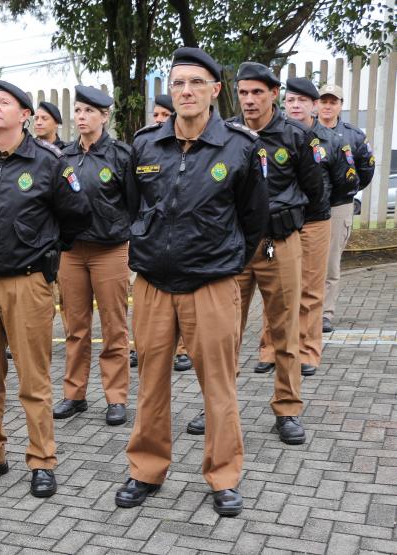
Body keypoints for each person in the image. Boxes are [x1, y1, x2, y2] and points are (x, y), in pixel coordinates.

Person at [116, 47, 267, 516]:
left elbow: (254, 219)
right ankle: (145, 470)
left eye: (196, 83)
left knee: (218, 387)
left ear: (214, 91)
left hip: (212, 287)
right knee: (152, 385)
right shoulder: (144, 145)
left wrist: (222, 263)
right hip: (154, 286)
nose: (185, 91)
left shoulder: (240, 147)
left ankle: (223, 477)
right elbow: (129, 206)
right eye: (178, 83)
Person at [0, 80, 92, 498]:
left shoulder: (49, 161)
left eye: (4, 103)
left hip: (28, 282)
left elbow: (77, 215)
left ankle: (42, 459)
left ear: (24, 115)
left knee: (34, 378)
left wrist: (44, 247)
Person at [187, 62, 323, 443]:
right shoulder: (227, 135)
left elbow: (317, 199)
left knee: (285, 331)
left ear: (274, 94)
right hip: (235, 249)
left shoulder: (297, 137)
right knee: (223, 333)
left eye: (257, 92)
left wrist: (289, 233)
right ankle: (215, 406)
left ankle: (288, 408)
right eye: (243, 92)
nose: (249, 100)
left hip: (280, 245)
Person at [252, 78, 358, 377]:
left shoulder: (331, 140)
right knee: (272, 286)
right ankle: (269, 348)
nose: (295, 106)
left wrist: (319, 205)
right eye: (290, 100)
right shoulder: (275, 136)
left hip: (313, 224)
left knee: (311, 289)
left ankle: (308, 351)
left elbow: (345, 182)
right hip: (276, 228)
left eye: (302, 100)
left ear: (314, 105)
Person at [54, 85, 132, 425]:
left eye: (89, 111)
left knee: (114, 327)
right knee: (76, 327)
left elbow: (134, 204)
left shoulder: (121, 155)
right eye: (79, 110)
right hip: (72, 252)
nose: (82, 117)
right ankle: (75, 393)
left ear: (105, 116)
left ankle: (116, 397)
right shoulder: (64, 157)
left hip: (110, 250)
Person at [130, 93, 194, 373]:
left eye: (163, 115)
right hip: (153, 247)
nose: (158, 120)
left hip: (195, 255)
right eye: (155, 114)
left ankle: (184, 349)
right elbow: (133, 199)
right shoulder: (145, 145)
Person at [317, 83, 375, 333]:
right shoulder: (305, 131)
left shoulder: (354, 135)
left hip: (339, 206)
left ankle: (325, 313)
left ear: (340, 105)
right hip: (308, 207)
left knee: (330, 262)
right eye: (324, 101)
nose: (328, 106)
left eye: (333, 101)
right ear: (317, 103)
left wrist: (348, 188)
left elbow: (367, 167)